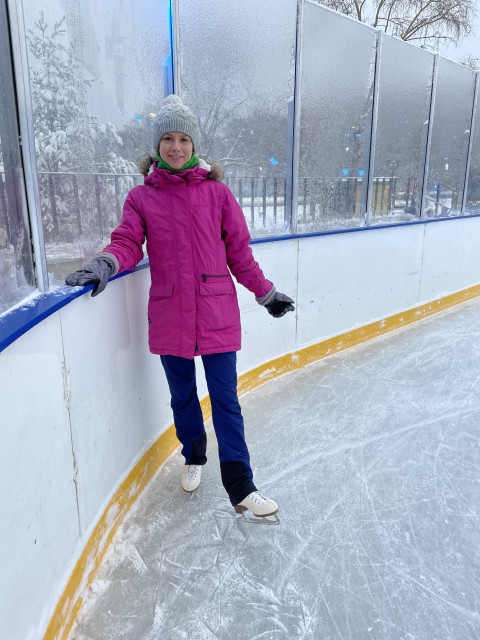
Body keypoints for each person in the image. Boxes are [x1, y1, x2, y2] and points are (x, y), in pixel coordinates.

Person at [65, 95, 294, 522]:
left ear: (194, 145)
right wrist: (106, 262)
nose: (175, 147)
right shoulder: (141, 199)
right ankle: (194, 455)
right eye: (167, 138)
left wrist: (267, 294)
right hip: (171, 313)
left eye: (183, 138)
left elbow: (240, 256)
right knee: (183, 397)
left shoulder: (218, 195)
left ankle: (241, 487)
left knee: (226, 401)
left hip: (216, 312)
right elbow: (128, 242)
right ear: (156, 147)